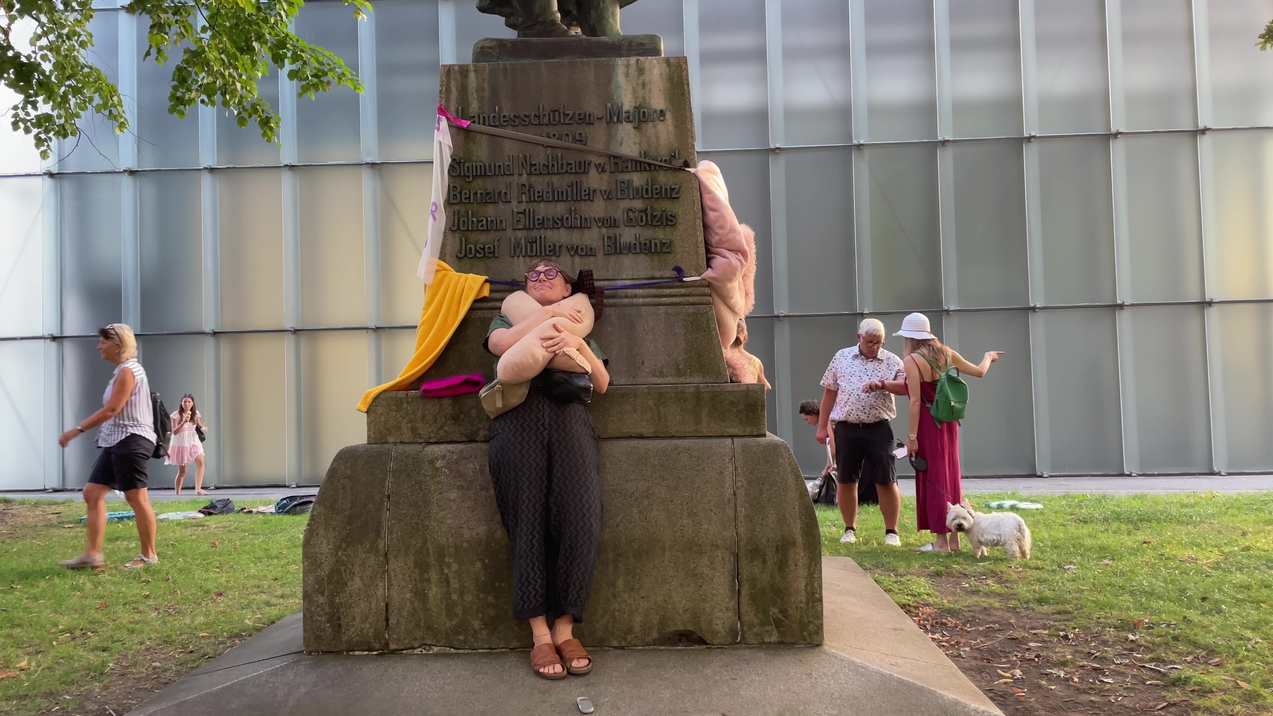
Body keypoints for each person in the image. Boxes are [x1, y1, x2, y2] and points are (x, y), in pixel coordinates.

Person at [484, 260, 610, 679]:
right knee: (527, 521)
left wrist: (577, 344)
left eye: (551, 273)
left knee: (582, 517)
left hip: (570, 423)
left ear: (568, 287)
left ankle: (565, 627)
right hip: (518, 422)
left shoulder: (581, 325)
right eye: (533, 275)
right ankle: (540, 635)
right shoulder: (510, 316)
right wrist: (547, 317)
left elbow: (603, 382)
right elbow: (501, 346)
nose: (540, 277)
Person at [886, 313, 1001, 552]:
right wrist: (988, 357)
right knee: (950, 475)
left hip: (928, 424)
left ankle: (940, 542)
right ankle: (954, 541)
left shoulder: (912, 360)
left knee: (934, 478)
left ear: (910, 337)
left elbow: (915, 401)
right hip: (948, 422)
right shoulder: (947, 353)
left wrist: (912, 437)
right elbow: (979, 372)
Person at [58, 324, 160, 570]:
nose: (98, 346)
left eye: (103, 342)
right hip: (116, 440)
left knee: (136, 498)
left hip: (132, 440)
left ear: (118, 345)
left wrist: (76, 430)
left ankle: (149, 556)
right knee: (92, 493)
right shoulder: (121, 371)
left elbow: (111, 410)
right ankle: (92, 555)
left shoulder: (129, 371)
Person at [815, 319, 906, 546]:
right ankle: (849, 529)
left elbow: (906, 387)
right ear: (859, 338)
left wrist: (883, 384)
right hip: (847, 427)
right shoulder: (842, 357)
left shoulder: (892, 360)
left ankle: (891, 532)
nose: (875, 347)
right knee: (846, 479)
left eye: (879, 342)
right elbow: (829, 392)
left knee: (886, 479)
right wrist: (822, 426)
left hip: (879, 428)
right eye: (870, 342)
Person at [167, 394, 208, 495]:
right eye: (184, 401)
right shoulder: (176, 415)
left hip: (194, 440)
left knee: (201, 461)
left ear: (192, 403)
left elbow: (198, 424)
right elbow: (174, 432)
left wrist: (203, 428)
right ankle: (177, 493)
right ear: (181, 403)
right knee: (182, 471)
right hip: (182, 443)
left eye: (189, 401)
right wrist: (183, 422)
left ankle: (198, 489)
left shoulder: (195, 414)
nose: (186, 404)